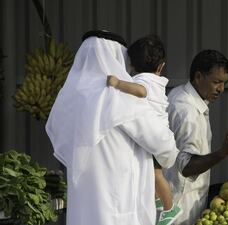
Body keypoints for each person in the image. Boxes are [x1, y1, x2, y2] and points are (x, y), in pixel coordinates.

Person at [46, 30, 179, 225]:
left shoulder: (70, 96)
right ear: (118, 55)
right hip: (118, 201)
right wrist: (169, 158)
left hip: (85, 200)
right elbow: (161, 142)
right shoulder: (120, 94)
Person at [164, 49, 228, 225]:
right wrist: (225, 152)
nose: (221, 89)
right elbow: (186, 166)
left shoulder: (180, 94)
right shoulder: (187, 111)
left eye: (225, 83)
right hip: (181, 205)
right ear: (199, 76)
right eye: (216, 82)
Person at [106, 34, 182, 225]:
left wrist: (118, 84)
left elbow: (141, 92)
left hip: (156, 137)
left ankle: (170, 208)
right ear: (161, 66)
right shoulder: (158, 81)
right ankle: (159, 200)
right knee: (153, 174)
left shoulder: (142, 82)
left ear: (131, 65)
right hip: (161, 134)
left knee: (156, 176)